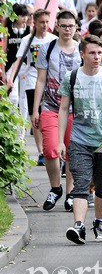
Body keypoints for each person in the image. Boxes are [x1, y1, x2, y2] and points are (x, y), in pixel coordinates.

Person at [59, 35, 102, 244]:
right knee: (80, 183)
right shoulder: (72, 77)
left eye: (99, 53)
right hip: (79, 139)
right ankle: (79, 226)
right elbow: (63, 109)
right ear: (82, 54)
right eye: (92, 53)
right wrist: (61, 141)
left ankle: (99, 222)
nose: (97, 56)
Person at [33, 10, 81, 212]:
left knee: (71, 151)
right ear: (57, 27)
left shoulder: (82, 49)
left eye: (70, 26)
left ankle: (70, 193)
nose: (67, 29)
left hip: (75, 110)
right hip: (51, 106)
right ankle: (55, 188)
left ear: (76, 27)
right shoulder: (48, 48)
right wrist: (35, 109)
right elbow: (41, 80)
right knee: (51, 150)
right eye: (63, 26)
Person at [7, 9, 53, 165]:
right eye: (41, 22)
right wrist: (11, 79)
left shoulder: (53, 39)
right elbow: (18, 60)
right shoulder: (28, 40)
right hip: (32, 79)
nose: (45, 25)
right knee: (38, 115)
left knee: (49, 115)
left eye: (47, 22)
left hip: (50, 81)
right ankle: (41, 152)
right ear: (35, 23)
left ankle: (50, 147)